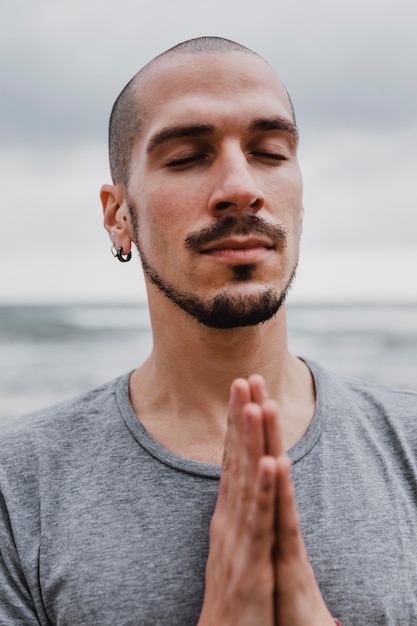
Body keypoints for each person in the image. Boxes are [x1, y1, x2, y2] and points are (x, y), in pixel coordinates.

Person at [0, 36, 416, 626]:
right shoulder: (18, 486)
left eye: (270, 152)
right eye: (187, 157)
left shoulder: (409, 445)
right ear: (119, 216)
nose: (241, 186)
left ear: (300, 198)